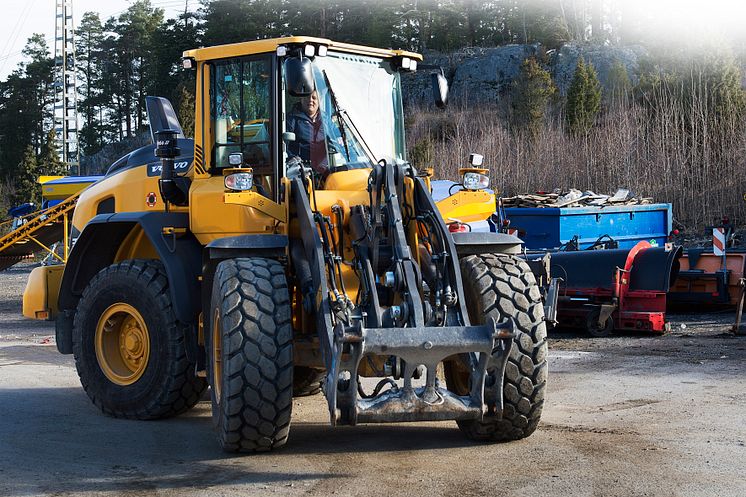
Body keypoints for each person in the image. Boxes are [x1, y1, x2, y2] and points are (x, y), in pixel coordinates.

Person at [286, 90, 328, 176]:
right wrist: (292, 158)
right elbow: (282, 145)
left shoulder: (326, 120)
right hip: (302, 171)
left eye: (314, 98)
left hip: (325, 170)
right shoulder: (292, 119)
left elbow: (337, 139)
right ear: (301, 99)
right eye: (307, 97)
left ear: (319, 100)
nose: (310, 100)